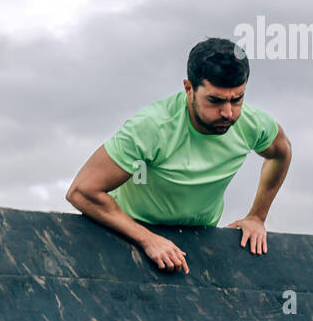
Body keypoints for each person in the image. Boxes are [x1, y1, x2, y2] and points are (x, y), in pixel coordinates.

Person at [66, 37, 292, 272]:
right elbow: (81, 191)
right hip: (129, 233)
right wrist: (147, 239)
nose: (228, 112)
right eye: (215, 101)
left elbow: (281, 154)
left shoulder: (254, 124)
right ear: (189, 89)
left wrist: (257, 217)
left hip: (196, 238)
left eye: (237, 100)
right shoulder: (152, 127)